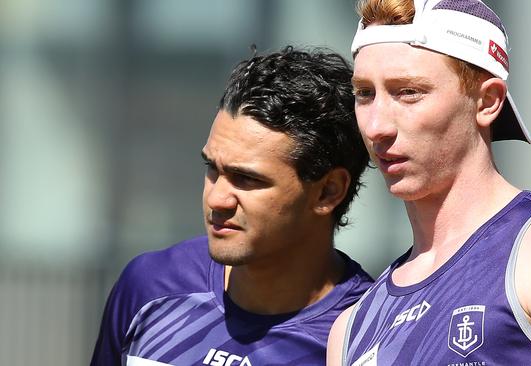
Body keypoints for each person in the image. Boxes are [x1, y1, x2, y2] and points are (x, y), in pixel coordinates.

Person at [327, 0, 531, 365]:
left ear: (488, 101)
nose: (377, 126)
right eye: (365, 94)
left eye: (408, 92)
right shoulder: (352, 327)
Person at [91, 46, 374, 366]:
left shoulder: (367, 336)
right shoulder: (151, 286)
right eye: (212, 168)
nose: (216, 199)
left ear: (328, 192)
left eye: (246, 179)